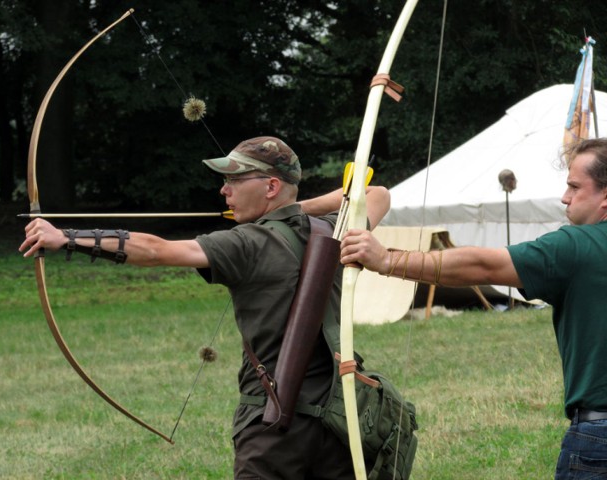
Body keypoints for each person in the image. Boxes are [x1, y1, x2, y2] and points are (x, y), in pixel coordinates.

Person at [20, 136, 391, 479]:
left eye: (234, 180)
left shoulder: (246, 243)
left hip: (272, 426)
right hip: (341, 423)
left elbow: (155, 251)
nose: (223, 190)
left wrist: (63, 238)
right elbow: (377, 194)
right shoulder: (334, 231)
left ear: (271, 186)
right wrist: (290, 210)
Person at [339, 137, 607, 480]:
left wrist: (386, 259)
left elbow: (484, 266)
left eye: (574, 186)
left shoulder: (576, 246)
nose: (564, 197)